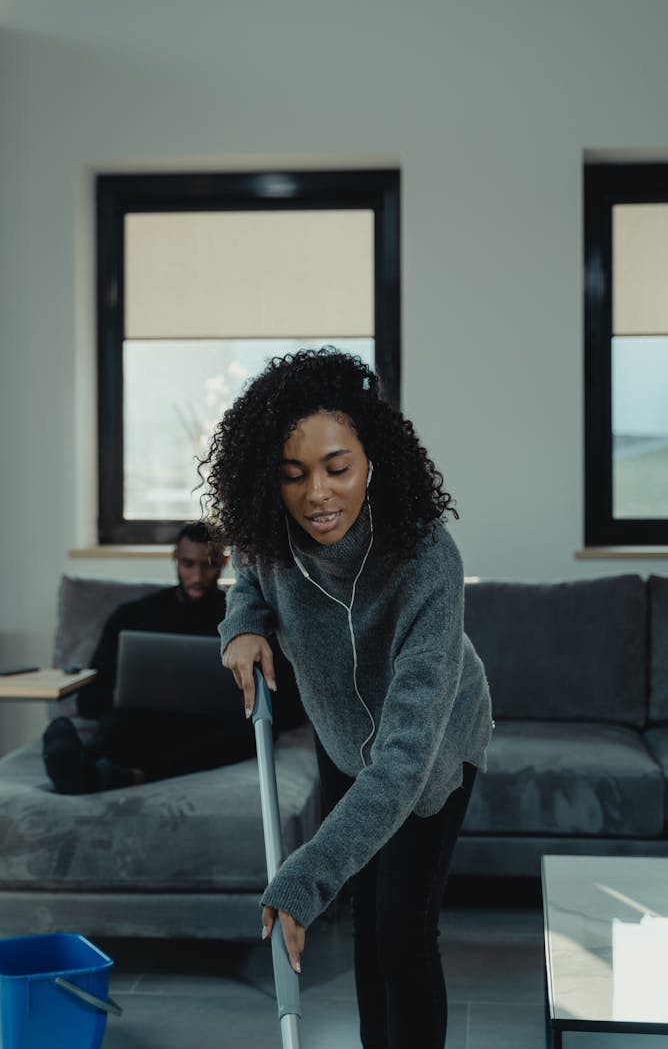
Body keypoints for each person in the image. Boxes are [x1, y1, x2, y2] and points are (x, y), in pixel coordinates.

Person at [201, 348, 493, 1049]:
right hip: (342, 737)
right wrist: (241, 627)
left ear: (372, 462)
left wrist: (303, 878)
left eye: (338, 468)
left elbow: (403, 760)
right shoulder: (274, 536)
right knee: (367, 926)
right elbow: (248, 574)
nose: (317, 496)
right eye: (292, 474)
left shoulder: (426, 560)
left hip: (429, 751)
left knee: (403, 932)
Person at [43, 522, 302, 793]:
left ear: (225, 562)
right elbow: (87, 700)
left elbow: (290, 702)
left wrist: (249, 696)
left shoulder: (243, 620)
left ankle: (119, 776)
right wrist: (120, 694)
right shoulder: (133, 615)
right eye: (188, 564)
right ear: (175, 560)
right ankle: (79, 762)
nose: (198, 576)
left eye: (209, 564)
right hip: (145, 723)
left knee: (253, 730)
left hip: (206, 728)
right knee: (118, 724)